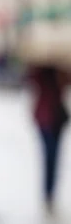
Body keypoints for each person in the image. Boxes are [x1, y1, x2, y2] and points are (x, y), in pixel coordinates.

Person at [27, 63, 69, 213]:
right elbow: (31, 80)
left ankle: (50, 192)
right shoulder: (39, 71)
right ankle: (48, 193)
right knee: (49, 156)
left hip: (56, 120)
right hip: (45, 120)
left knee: (54, 157)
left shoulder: (61, 71)